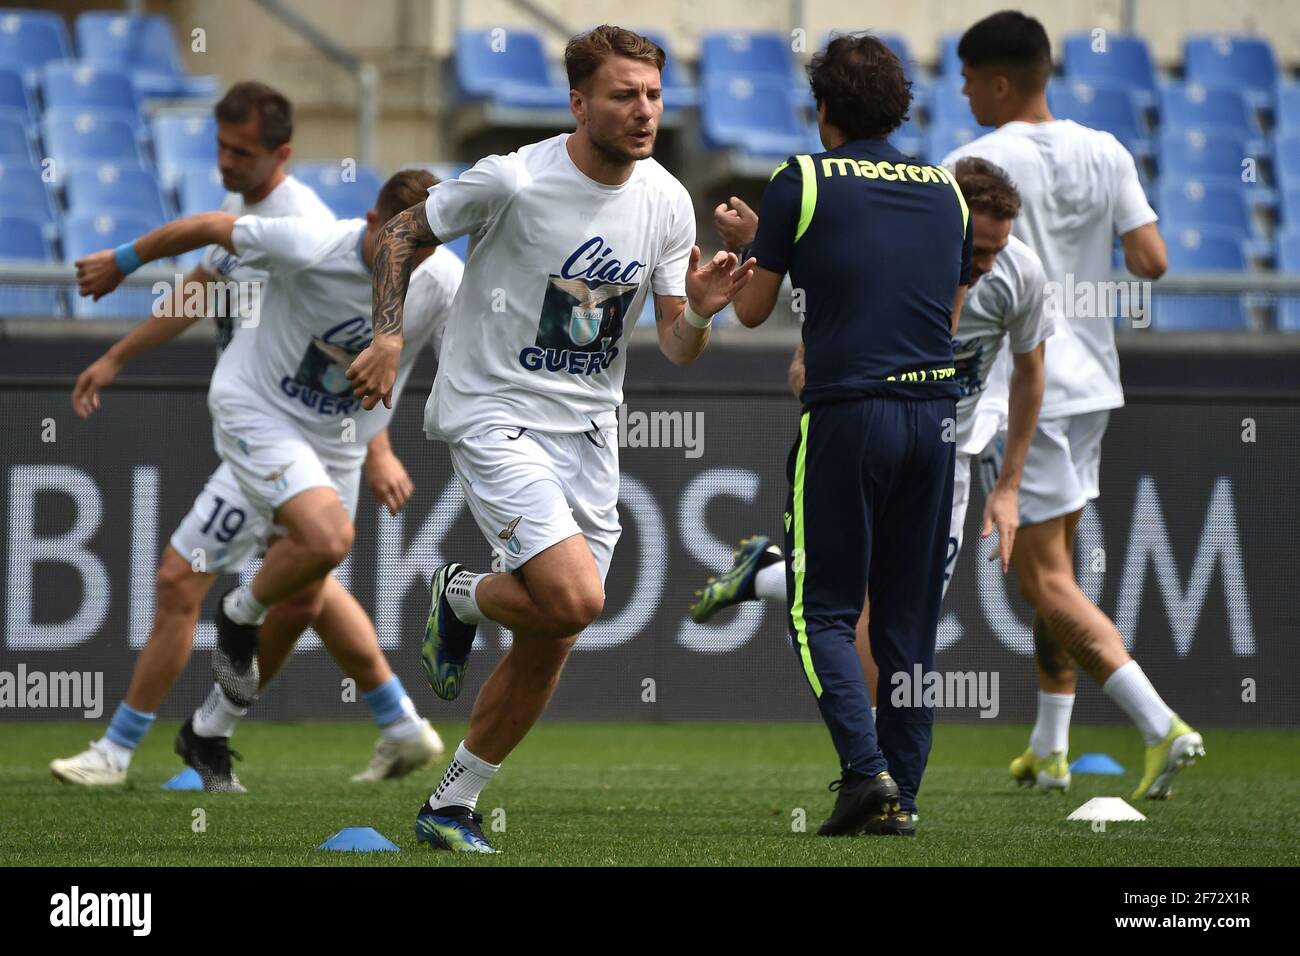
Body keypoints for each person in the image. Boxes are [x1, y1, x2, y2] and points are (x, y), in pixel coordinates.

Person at [346, 24, 754, 853]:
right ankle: (460, 592)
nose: (644, 112)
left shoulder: (668, 202)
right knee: (576, 599)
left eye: (652, 95)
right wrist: (388, 334)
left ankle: (450, 804)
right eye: (622, 95)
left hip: (591, 429)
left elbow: (675, 344)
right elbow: (399, 237)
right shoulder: (513, 179)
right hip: (493, 409)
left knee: (555, 630)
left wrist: (704, 312)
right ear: (578, 101)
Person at [63, 168, 460, 792]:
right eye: (402, 243)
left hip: (337, 445)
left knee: (303, 593)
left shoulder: (441, 283)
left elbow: (480, 356)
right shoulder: (307, 239)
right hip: (259, 418)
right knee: (319, 545)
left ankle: (209, 731)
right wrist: (122, 260)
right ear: (370, 223)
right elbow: (206, 233)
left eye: (427, 246)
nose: (413, 259)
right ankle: (236, 619)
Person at [695, 160, 1051, 775]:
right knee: (866, 615)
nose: (985, 263)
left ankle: (768, 575)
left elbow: (1031, 372)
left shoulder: (1021, 275)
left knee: (899, 617)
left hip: (951, 459)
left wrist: (1010, 483)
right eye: (980, 248)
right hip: (873, 430)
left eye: (996, 249)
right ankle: (875, 767)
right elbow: (840, 297)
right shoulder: (908, 251)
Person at [945, 10, 1202, 800]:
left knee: (1046, 580)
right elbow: (1151, 260)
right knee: (1049, 573)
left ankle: (1162, 726)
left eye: (966, 80)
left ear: (996, 82)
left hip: (1019, 387)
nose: (961, 93)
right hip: (1091, 383)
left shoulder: (973, 161)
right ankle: (1050, 748)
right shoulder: (1107, 149)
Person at [721, 34, 971, 837]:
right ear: (901, 108)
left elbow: (753, 310)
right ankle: (904, 793)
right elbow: (941, 313)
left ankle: (865, 775)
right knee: (906, 624)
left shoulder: (802, 178)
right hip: (936, 419)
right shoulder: (948, 191)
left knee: (819, 610)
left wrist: (752, 249)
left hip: (849, 413)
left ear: (822, 107)